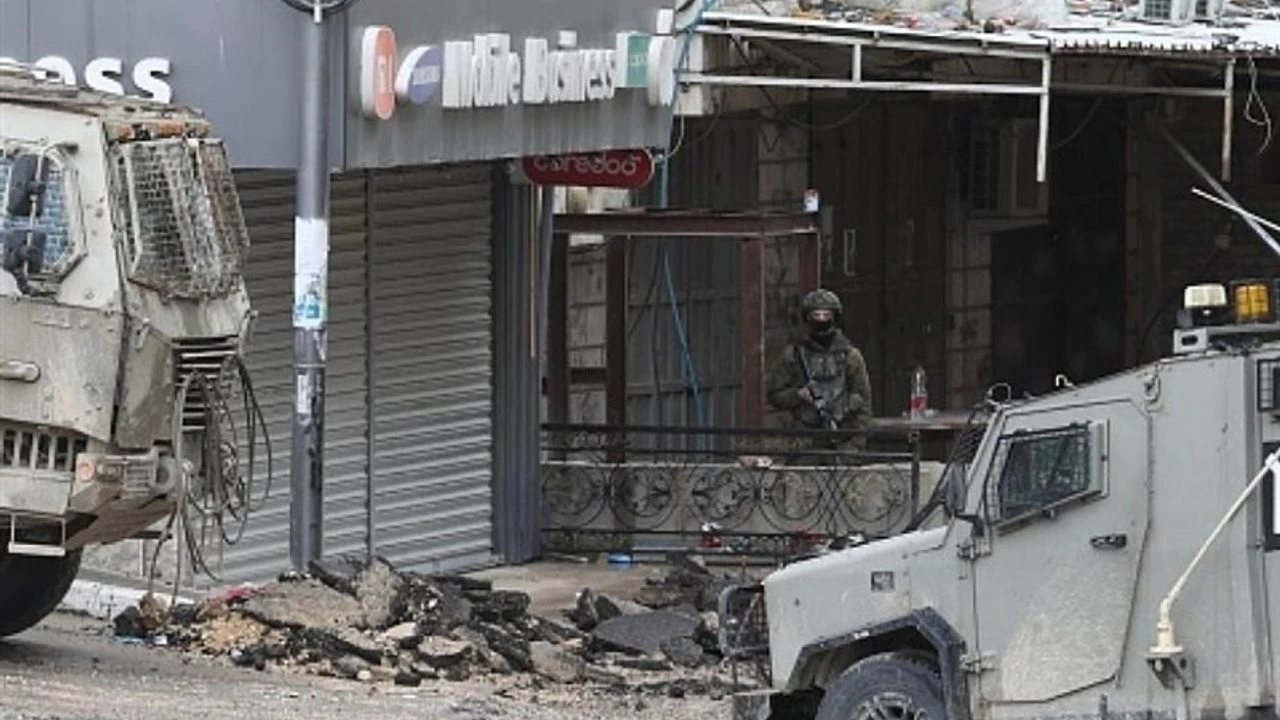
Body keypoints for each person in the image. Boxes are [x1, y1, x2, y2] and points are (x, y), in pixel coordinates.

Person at [765, 288, 873, 460]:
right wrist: (797, 395)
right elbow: (774, 395)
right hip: (804, 442)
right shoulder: (793, 355)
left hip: (843, 440)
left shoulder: (850, 356)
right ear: (807, 318)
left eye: (826, 315)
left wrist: (856, 444)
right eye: (816, 315)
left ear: (835, 317)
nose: (821, 320)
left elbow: (864, 403)